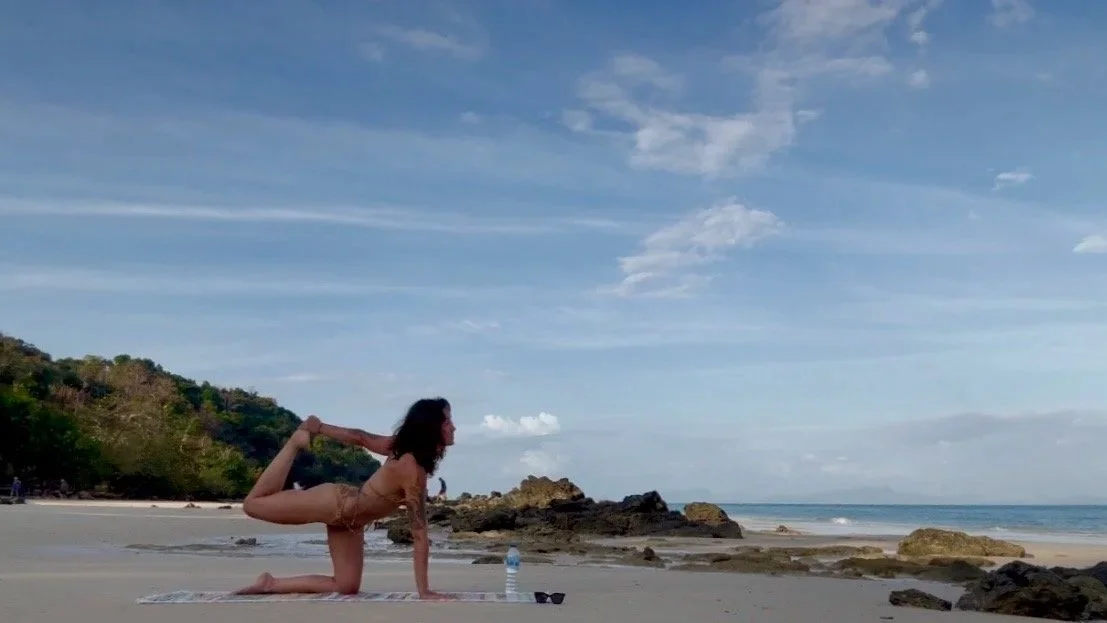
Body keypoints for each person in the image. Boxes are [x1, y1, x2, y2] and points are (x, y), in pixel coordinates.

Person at [234, 397, 456, 599]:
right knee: (253, 505)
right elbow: (419, 535)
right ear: (431, 428)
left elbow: (360, 437)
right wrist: (424, 591)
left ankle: (270, 584)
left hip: (351, 523)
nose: (453, 427)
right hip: (335, 503)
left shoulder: (402, 452)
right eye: (447, 422)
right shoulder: (410, 468)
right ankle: (294, 444)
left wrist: (320, 427)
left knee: (346, 586)